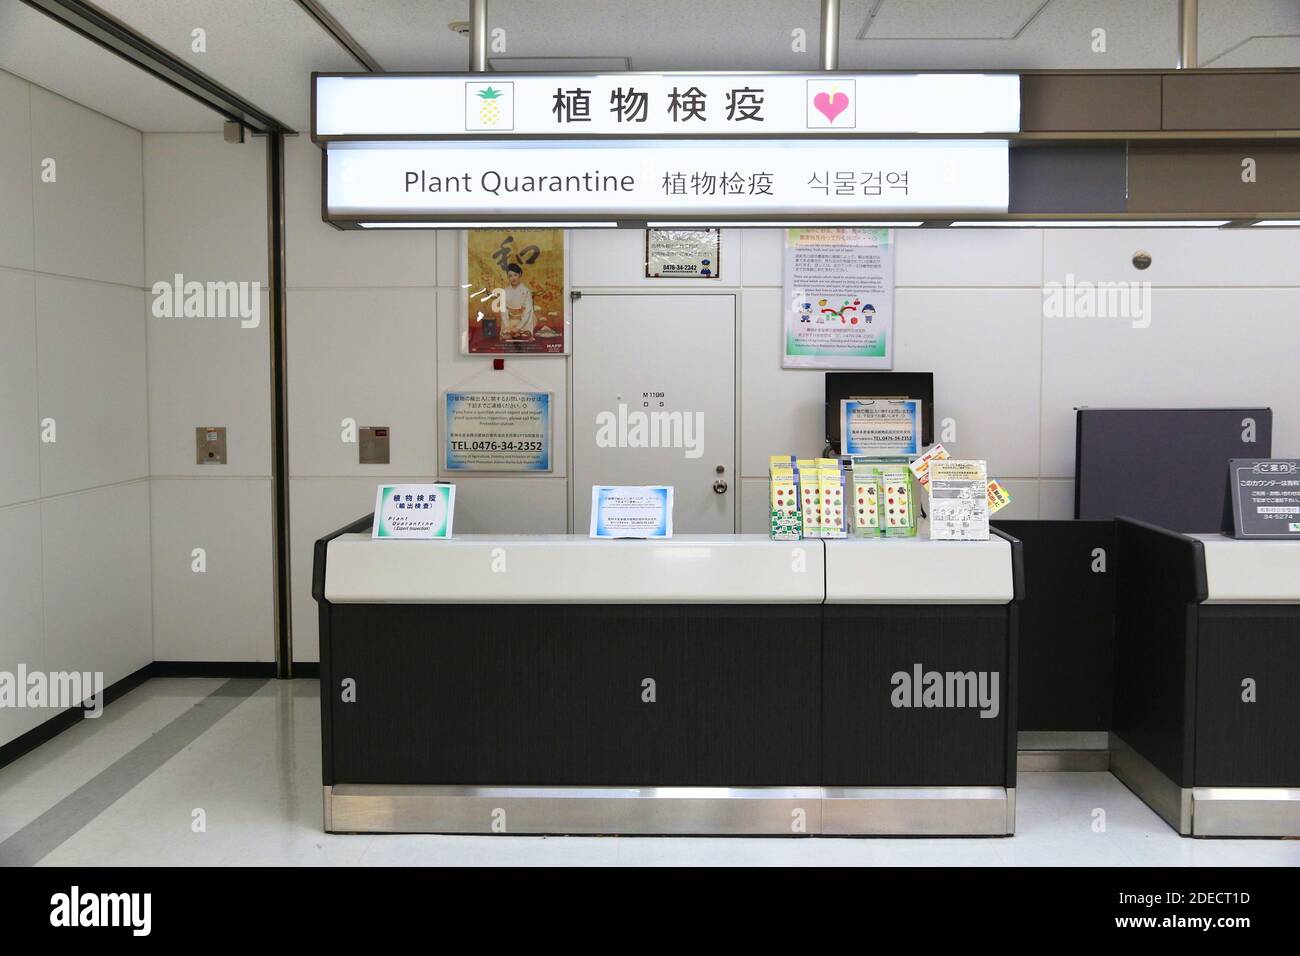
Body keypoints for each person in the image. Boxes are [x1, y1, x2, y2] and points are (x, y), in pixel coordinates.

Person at [501, 263, 535, 340]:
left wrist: (518, 327)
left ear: (520, 274)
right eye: (510, 276)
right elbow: (503, 311)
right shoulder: (505, 291)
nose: (513, 278)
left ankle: (521, 331)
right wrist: (508, 326)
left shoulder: (526, 291)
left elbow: (527, 311)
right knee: (506, 336)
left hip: (523, 322)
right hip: (509, 322)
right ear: (508, 277)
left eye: (515, 275)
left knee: (524, 336)